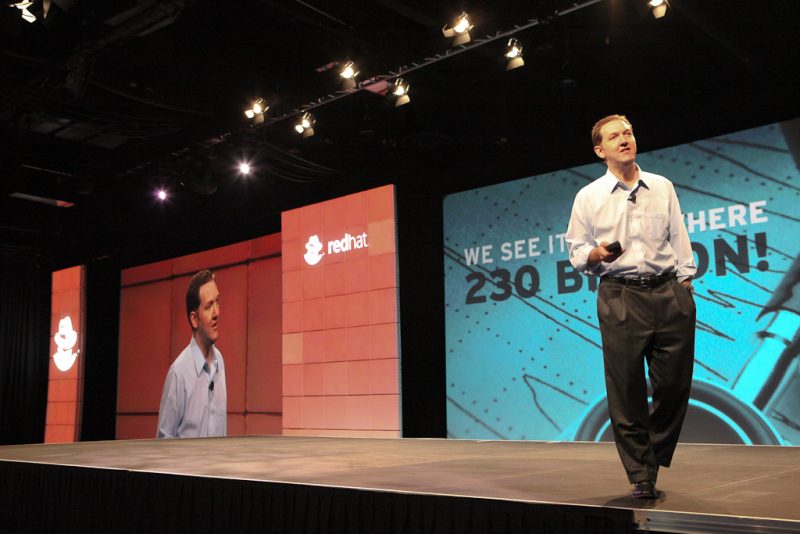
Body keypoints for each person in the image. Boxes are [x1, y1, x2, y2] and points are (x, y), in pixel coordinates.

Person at [566, 114, 696, 499]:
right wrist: (596, 254)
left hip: (668, 292)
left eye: (628, 132)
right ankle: (642, 473)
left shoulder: (662, 186)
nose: (624, 139)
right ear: (600, 150)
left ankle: (650, 453)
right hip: (620, 295)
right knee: (626, 389)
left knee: (674, 386)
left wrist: (685, 281)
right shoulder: (589, 196)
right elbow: (576, 250)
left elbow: (679, 235)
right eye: (614, 136)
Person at [157, 269, 227, 438]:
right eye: (209, 306)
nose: (217, 313)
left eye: (217, 302)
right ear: (194, 319)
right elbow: (164, 443)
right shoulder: (178, 373)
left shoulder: (219, 361)